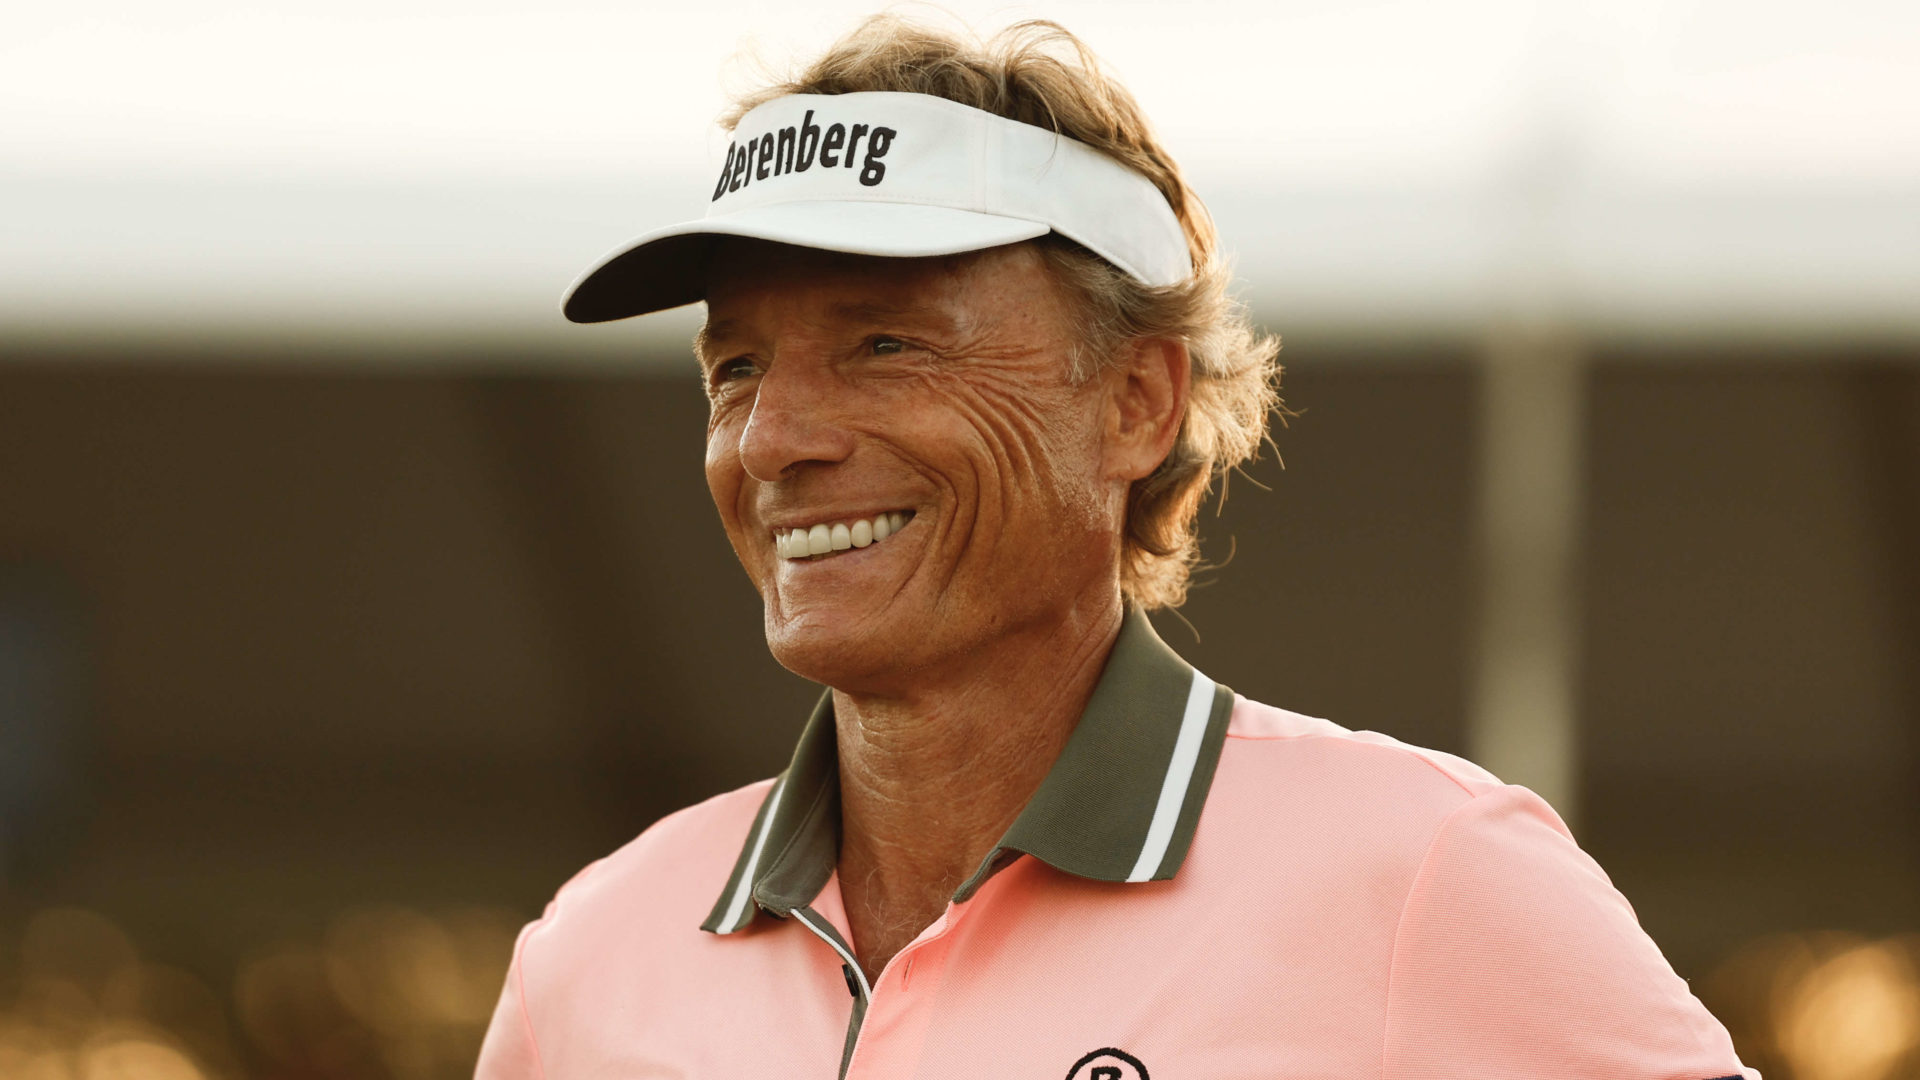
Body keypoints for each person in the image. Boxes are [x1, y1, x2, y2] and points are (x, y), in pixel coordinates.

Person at [477, 15, 1755, 1080]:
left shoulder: (1424, 875)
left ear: (1137, 401)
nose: (771, 440)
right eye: (736, 368)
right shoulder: (589, 962)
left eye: (885, 344)